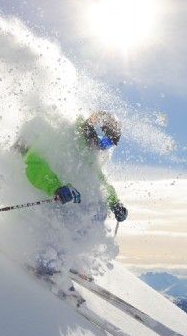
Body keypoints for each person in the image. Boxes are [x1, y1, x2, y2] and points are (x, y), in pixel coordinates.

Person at [13, 110, 127, 276]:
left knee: (97, 208)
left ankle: (65, 256)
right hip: (33, 196)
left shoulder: (87, 153)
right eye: (104, 141)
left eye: (108, 145)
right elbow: (33, 163)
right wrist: (55, 187)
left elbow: (100, 182)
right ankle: (46, 259)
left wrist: (115, 203)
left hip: (57, 198)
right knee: (71, 214)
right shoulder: (65, 135)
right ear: (94, 130)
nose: (102, 148)